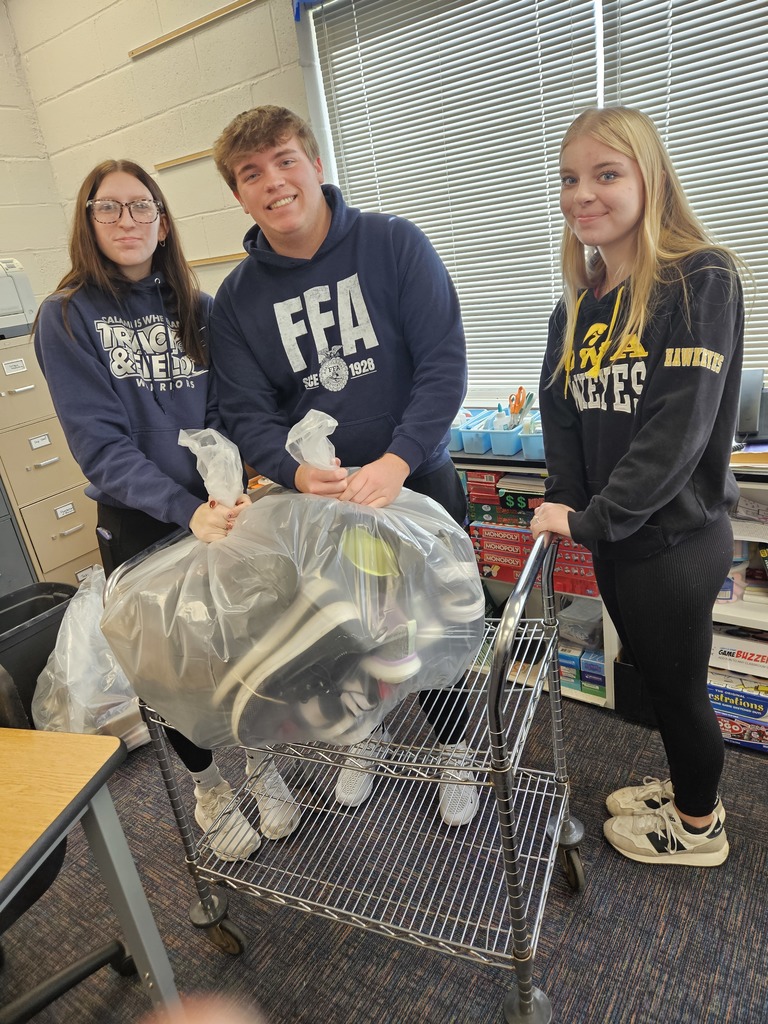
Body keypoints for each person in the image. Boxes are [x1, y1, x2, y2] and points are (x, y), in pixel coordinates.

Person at [209, 105, 479, 827]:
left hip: (416, 483)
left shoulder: (395, 245)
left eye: (286, 160)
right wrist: (293, 474)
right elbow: (246, 412)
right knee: (354, 633)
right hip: (321, 504)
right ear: (239, 194)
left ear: (317, 164)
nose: (274, 182)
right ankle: (371, 732)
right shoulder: (235, 301)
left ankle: (454, 747)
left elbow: (443, 367)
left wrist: (398, 459)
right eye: (251, 173)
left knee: (435, 629)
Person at [33, 159, 301, 860]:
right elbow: (101, 446)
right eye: (109, 208)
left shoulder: (198, 307)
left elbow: (225, 409)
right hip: (144, 522)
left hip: (219, 509)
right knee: (175, 673)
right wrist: (187, 508)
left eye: (141, 208)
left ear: (162, 221)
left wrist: (234, 481)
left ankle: (260, 763)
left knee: (244, 652)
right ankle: (210, 789)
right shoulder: (65, 318)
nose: (127, 222)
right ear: (87, 221)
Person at [532, 106, 744, 866]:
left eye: (605, 174)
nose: (581, 193)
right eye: (569, 178)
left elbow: (676, 431)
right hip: (618, 540)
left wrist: (592, 520)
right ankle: (690, 792)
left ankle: (697, 828)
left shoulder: (700, 276)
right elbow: (561, 411)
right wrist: (569, 504)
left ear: (650, 179)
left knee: (680, 692)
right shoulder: (579, 306)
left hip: (674, 542)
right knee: (656, 678)